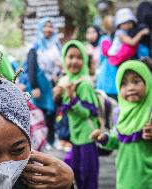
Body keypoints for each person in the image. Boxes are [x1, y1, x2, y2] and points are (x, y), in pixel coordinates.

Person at [91, 60, 152, 189]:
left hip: (147, 180)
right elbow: (117, 139)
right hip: (124, 179)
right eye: (123, 84)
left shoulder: (150, 112)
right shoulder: (121, 114)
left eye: (136, 81)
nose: (130, 88)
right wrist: (104, 138)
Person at [54, 40, 100, 189]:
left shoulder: (84, 84)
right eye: (70, 57)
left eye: (79, 57)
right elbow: (61, 107)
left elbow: (87, 112)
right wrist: (58, 96)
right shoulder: (65, 81)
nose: (74, 61)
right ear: (64, 59)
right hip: (75, 136)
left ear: (85, 61)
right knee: (76, 174)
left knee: (88, 176)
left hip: (88, 136)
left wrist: (73, 96)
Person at [27, 17, 63, 147]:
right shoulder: (35, 47)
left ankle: (52, 139)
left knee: (53, 112)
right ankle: (41, 140)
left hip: (53, 83)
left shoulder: (56, 46)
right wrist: (35, 86)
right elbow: (31, 68)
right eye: (45, 27)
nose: (48, 29)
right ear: (40, 29)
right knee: (40, 112)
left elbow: (61, 64)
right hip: (40, 85)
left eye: (50, 26)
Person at [96, 15, 118, 100]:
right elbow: (106, 52)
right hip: (108, 70)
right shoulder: (105, 39)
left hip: (112, 68)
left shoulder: (117, 37)